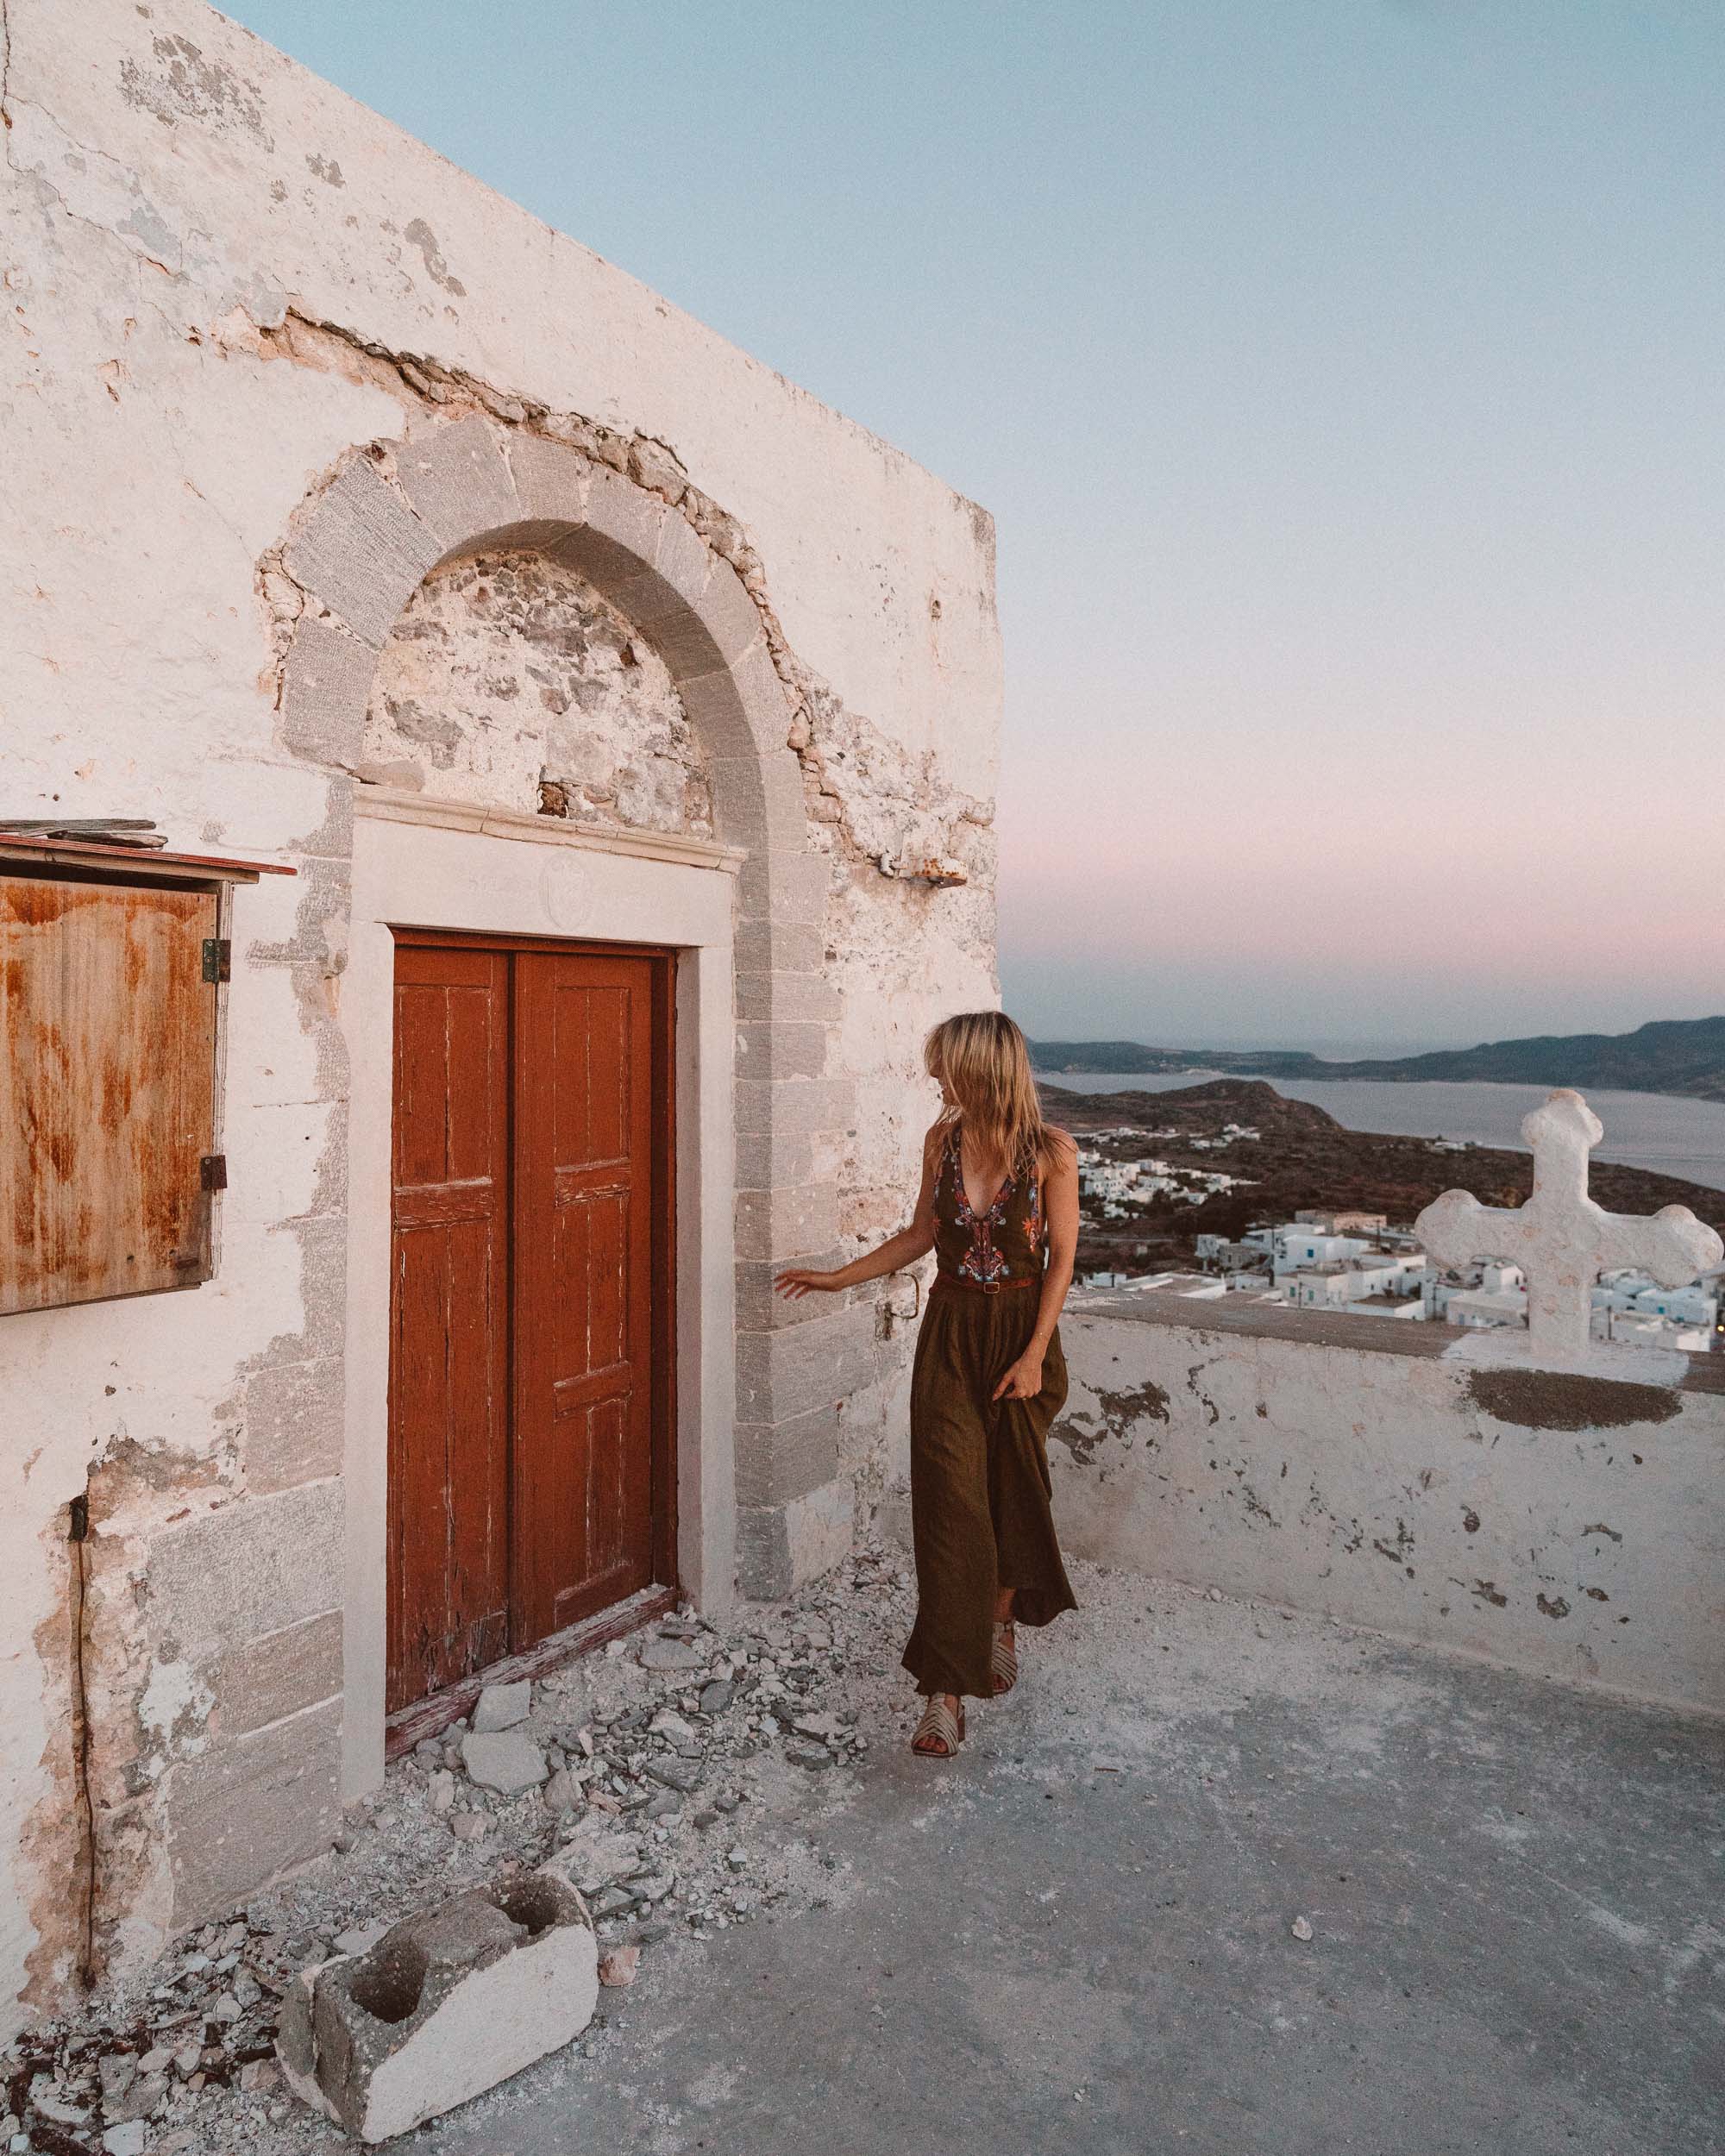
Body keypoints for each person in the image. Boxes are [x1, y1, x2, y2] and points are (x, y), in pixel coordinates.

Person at [775, 1010, 1080, 1757]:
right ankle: (945, 1693)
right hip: (949, 1337)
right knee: (950, 1506)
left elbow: (1062, 1262)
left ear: (979, 1067)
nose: (932, 1076)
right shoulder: (941, 1141)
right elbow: (921, 1235)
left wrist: (1036, 1353)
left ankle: (1001, 1617)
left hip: (1020, 1340)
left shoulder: (1052, 1153)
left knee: (1012, 1491)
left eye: (942, 1063)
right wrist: (838, 1277)